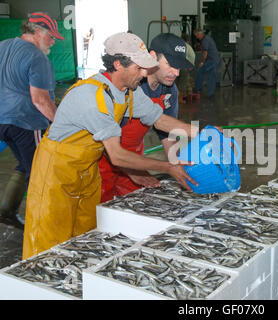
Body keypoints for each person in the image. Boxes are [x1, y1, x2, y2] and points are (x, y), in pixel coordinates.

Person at [22, 32, 199, 260]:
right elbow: (116, 156)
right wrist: (167, 167)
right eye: (139, 68)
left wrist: (200, 132)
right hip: (56, 173)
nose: (145, 73)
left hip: (87, 172)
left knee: (84, 238)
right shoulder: (95, 97)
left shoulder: (128, 92)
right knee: (47, 245)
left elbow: (159, 119)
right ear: (118, 65)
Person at [99, 33, 195, 202]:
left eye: (179, 68)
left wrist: (179, 170)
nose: (176, 73)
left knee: (133, 206)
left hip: (135, 157)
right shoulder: (128, 86)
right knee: (98, 211)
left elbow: (166, 133)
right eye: (171, 65)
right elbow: (105, 145)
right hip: (104, 157)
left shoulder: (169, 91)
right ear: (152, 57)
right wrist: (131, 169)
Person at [0, 12, 63, 229]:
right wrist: (63, 124)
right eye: (51, 36)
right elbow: (41, 101)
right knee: (40, 170)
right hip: (26, 123)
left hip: (2, 121)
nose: (53, 41)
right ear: (37, 32)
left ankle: (6, 210)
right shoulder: (37, 57)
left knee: (24, 163)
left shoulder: (3, 46)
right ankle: (43, 223)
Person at [194, 28, 220, 98]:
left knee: (200, 71)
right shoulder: (208, 38)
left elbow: (205, 53)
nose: (196, 37)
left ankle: (197, 89)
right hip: (215, 59)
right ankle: (211, 94)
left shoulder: (205, 40)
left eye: (197, 35)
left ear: (200, 34)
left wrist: (202, 62)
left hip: (211, 60)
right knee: (212, 76)